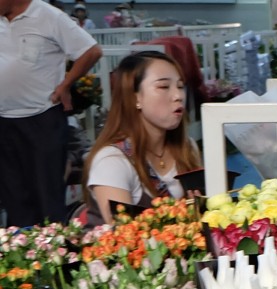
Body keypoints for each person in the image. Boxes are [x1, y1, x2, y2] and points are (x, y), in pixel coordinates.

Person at [0, 0, 102, 227]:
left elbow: (92, 51)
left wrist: (66, 85)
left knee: (47, 195)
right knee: (13, 196)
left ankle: (53, 253)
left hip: (42, 118)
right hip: (4, 121)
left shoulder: (48, 16)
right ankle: (21, 253)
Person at [82, 51, 200, 226]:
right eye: (164, 87)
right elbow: (125, 241)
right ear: (135, 97)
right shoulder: (111, 161)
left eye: (181, 86)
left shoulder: (188, 147)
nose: (178, 96)